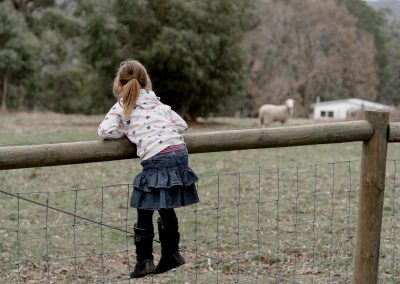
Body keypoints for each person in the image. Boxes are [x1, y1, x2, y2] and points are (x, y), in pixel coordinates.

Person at [98, 59, 200, 278]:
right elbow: (182, 125)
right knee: (164, 202)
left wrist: (128, 131)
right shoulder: (157, 103)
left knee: (144, 206)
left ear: (119, 86)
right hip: (179, 153)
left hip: (157, 156)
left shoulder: (122, 105)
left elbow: (105, 131)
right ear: (147, 83)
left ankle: (144, 261)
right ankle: (171, 254)